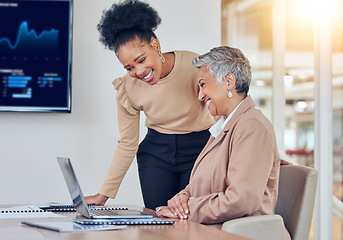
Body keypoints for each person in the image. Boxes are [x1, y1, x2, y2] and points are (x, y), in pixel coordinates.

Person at [84, 0, 215, 209]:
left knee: (191, 219)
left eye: (141, 59)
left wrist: (270, 154)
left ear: (155, 45)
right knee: (157, 222)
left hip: (199, 150)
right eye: (129, 67)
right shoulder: (127, 88)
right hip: (156, 155)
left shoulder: (195, 67)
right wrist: (103, 195)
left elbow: (231, 112)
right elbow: (127, 143)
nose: (138, 71)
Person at [156, 46, 290, 240]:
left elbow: (241, 200)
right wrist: (183, 197)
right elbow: (203, 184)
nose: (200, 95)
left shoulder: (252, 126)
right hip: (212, 231)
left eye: (203, 84)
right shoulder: (223, 129)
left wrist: (188, 209)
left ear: (228, 81)